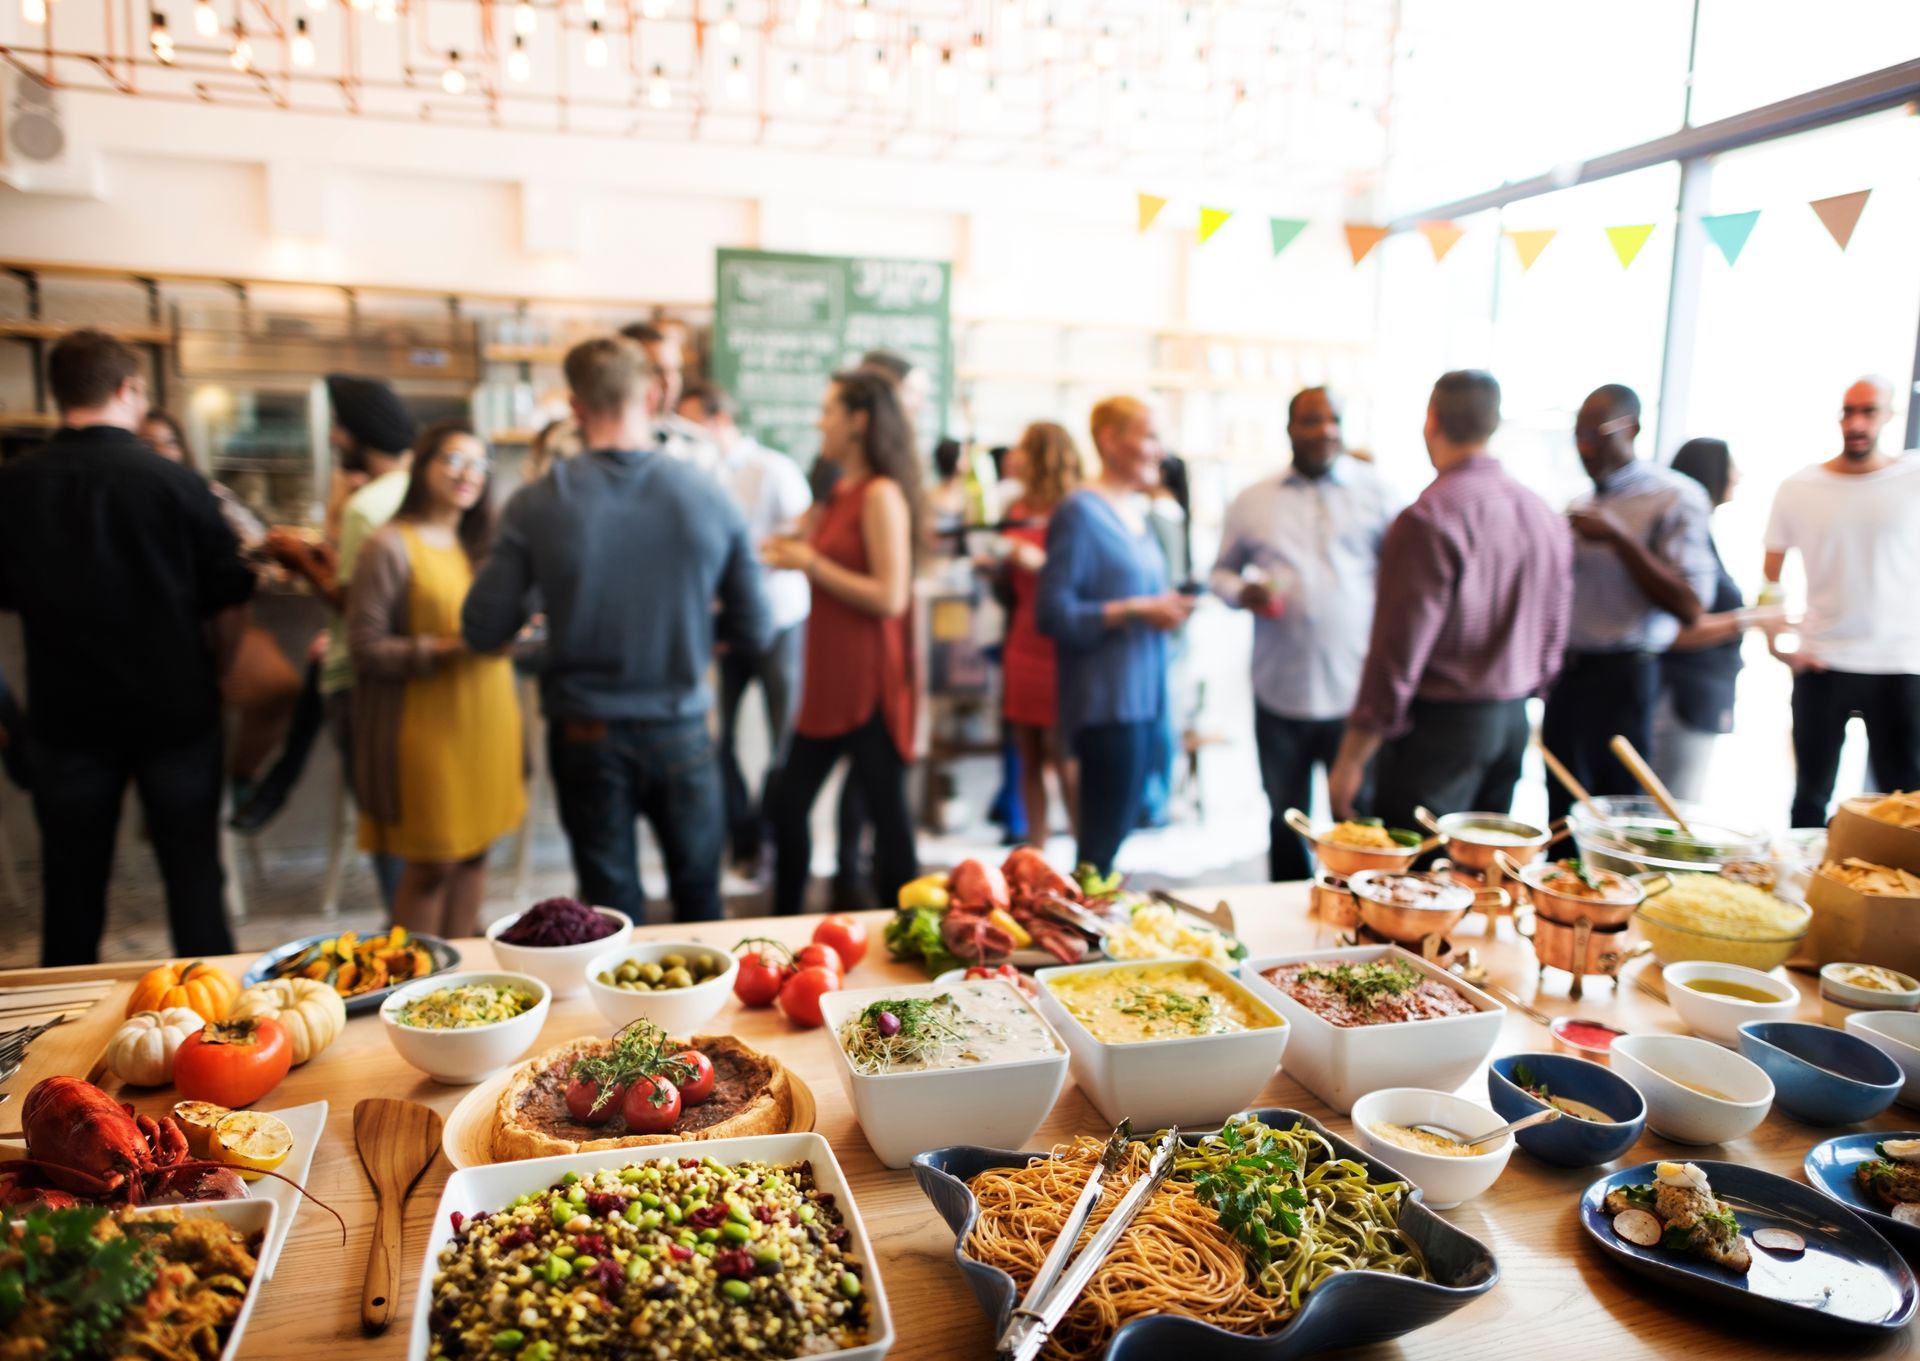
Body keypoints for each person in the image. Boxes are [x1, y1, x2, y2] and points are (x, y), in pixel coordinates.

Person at [464, 337, 771, 923]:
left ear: (576, 409)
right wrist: (689, 629)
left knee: (609, 910)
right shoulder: (709, 496)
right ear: (653, 396)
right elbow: (754, 627)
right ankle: (711, 1016)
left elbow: (483, 628)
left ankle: (626, 1019)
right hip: (682, 725)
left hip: (586, 731)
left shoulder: (536, 503)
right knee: (701, 899)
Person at [0, 329, 255, 965]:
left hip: (66, 714)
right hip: (176, 709)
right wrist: (219, 673)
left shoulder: (14, 486)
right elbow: (229, 595)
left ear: (58, 393)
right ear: (129, 388)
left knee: (71, 889)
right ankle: (219, 1034)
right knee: (195, 882)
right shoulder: (176, 483)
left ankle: (60, 1041)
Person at [1329, 371, 1572, 828]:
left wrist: (1351, 758)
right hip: (1511, 720)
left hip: (1441, 729)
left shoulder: (1429, 517)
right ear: (1493, 424)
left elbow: (1396, 656)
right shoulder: (1542, 513)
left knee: (1415, 879)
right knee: (1480, 874)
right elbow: (1555, 631)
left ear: (1431, 420)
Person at [1211, 387, 1399, 881]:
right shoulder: (1253, 500)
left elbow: (1405, 579)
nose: (1326, 430)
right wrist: (1240, 591)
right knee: (1284, 817)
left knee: (1357, 822)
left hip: (1355, 695)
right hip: (1281, 690)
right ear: (1291, 428)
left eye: (1334, 418)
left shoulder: (1378, 492)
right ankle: (1287, 921)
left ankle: (1356, 922)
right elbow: (1219, 574)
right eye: (1313, 420)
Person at [349, 421, 525, 937]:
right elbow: (365, 648)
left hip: (489, 717)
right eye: (453, 460)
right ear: (422, 465)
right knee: (432, 865)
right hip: (425, 726)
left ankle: (462, 989)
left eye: (478, 464)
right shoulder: (389, 545)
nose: (467, 474)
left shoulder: (486, 549)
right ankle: (413, 990)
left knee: (476, 856)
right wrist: (452, 647)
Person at [763, 369, 925, 916]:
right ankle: (783, 930)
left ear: (858, 421)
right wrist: (787, 550)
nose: (819, 420)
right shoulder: (838, 490)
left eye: (828, 410)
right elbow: (804, 543)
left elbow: (890, 596)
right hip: (829, 683)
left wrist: (810, 562)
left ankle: (910, 947)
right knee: (789, 808)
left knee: (889, 826)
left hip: (869, 684)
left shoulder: (880, 495)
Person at [1541, 384, 1716, 823]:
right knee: (1562, 810)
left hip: (1624, 675)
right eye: (1578, 434)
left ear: (1632, 428)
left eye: (1595, 433)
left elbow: (1692, 605)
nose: (1585, 446)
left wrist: (1621, 540)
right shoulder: (1579, 504)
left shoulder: (1675, 497)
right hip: (1568, 675)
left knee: (1615, 815)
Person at [1037, 396, 1195, 876]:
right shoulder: (1080, 512)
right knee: (1100, 847)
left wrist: (1163, 606)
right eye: (1148, 436)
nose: (1159, 451)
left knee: (1118, 833)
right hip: (1106, 702)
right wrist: (1135, 610)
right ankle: (1083, 940)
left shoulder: (1136, 512)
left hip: (1146, 698)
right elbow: (1053, 613)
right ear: (1109, 439)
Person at [1764, 376, 1920, 827]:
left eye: (1868, 411)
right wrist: (1777, 643)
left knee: (1905, 801)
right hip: (1823, 661)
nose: (1856, 422)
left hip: (1899, 662)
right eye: (1848, 411)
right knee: (1810, 796)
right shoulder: (1799, 486)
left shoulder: (1911, 477)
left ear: (1887, 416)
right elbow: (1771, 578)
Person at [681, 381, 814, 872]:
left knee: (784, 741)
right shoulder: (696, 475)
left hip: (779, 620)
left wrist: (744, 558)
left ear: (718, 421)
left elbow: (802, 542)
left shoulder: (774, 469)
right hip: (724, 625)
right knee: (717, 739)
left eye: (690, 426)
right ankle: (744, 835)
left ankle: (769, 836)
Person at [140, 410, 303, 803]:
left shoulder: (208, 494)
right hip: (150, 641)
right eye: (149, 444)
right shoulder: (126, 500)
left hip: (216, 634)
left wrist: (267, 567)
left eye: (170, 441)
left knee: (279, 687)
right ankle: (170, 800)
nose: (162, 451)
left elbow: (258, 550)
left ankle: (240, 776)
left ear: (184, 447)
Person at [1652, 439, 1781, 802]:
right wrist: (1749, 618)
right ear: (1711, 473)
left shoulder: (1701, 536)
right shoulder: (1683, 541)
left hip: (1697, 696)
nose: (1738, 476)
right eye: (1731, 466)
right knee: (1670, 811)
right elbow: (1673, 632)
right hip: (1681, 695)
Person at [996, 421, 1085, 844]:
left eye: (1022, 449)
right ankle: (1037, 846)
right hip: (1021, 639)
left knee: (1065, 755)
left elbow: (1084, 576)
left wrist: (1038, 562)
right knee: (1027, 751)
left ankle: (1088, 854)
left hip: (1060, 645)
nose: (1014, 456)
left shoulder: (1077, 507)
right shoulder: (1014, 509)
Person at [619, 321, 722, 478]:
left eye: (676, 371)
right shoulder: (580, 444)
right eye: (656, 371)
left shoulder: (698, 448)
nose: (670, 383)